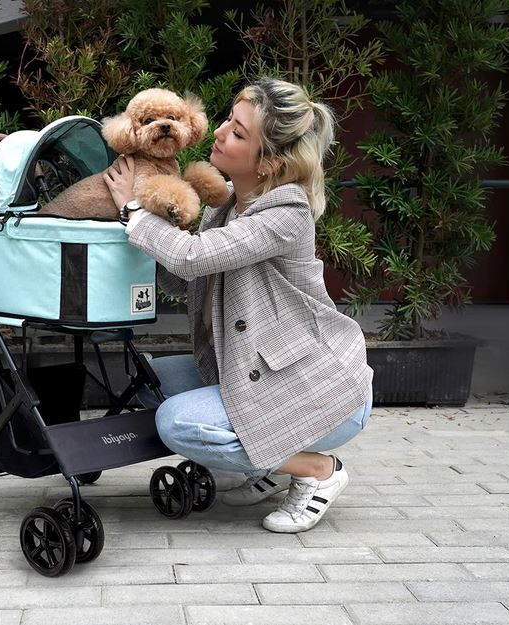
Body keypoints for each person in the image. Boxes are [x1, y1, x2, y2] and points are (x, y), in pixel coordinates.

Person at [103, 78, 373, 533]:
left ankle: (318, 470)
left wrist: (133, 210)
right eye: (228, 119)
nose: (219, 131)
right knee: (145, 380)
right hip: (254, 367)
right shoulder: (225, 204)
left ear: (268, 162)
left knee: (176, 423)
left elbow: (192, 257)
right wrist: (149, 229)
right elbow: (181, 275)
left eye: (238, 132)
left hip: (318, 387)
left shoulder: (286, 213)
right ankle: (266, 466)